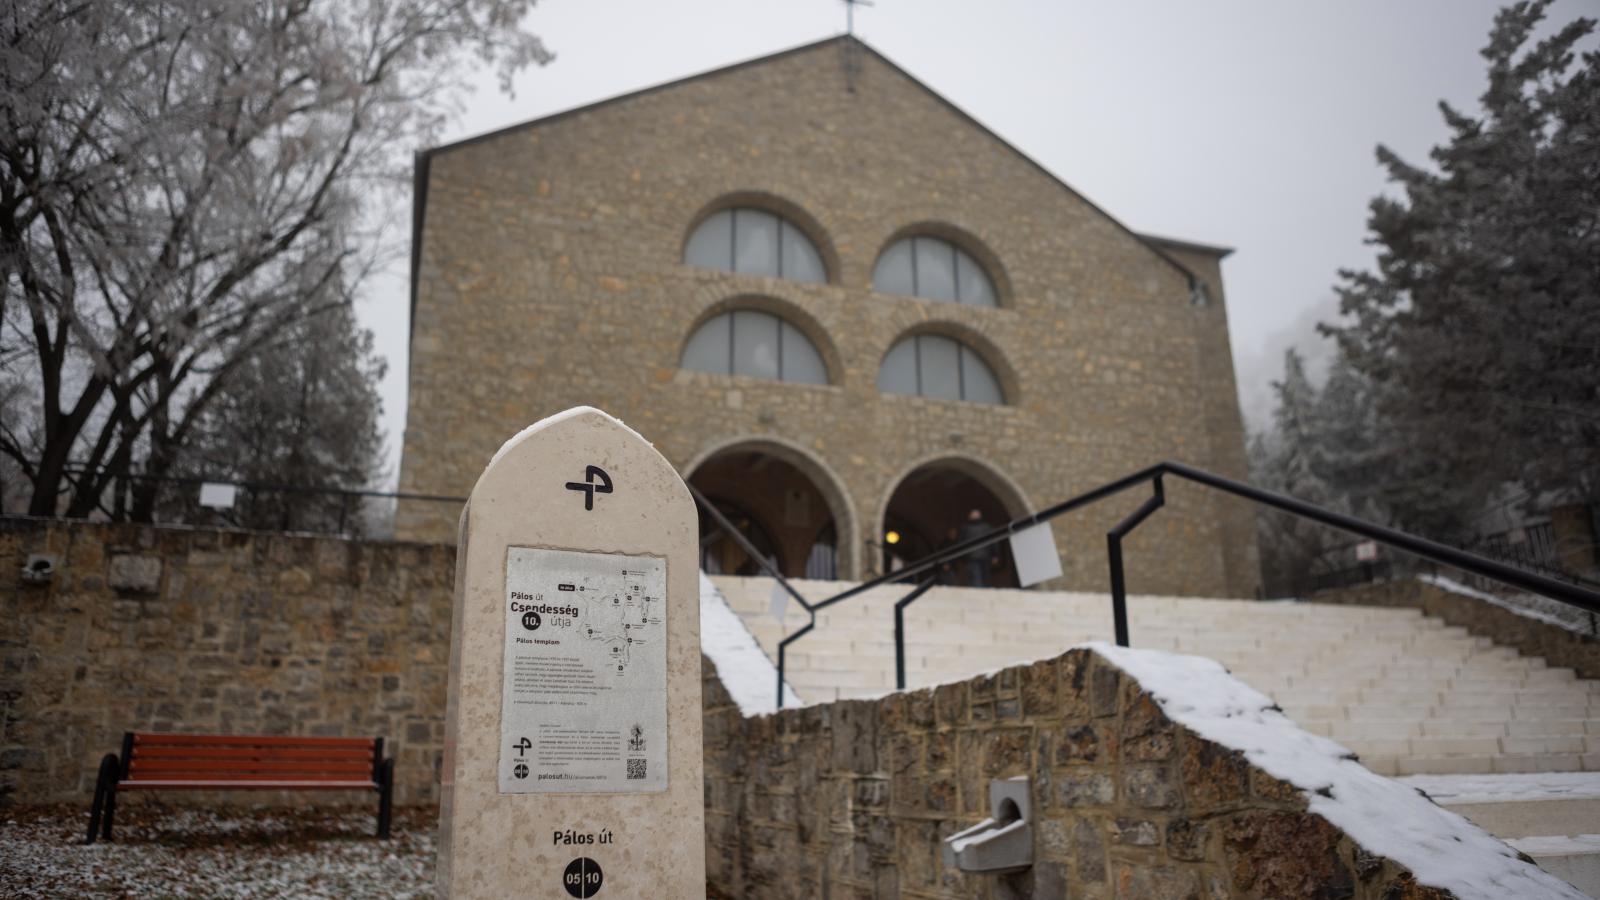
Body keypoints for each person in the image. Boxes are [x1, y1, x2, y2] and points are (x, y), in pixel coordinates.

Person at [956, 508, 993, 587]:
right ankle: (985, 593)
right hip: (984, 556)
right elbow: (993, 541)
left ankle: (978, 593)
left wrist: (961, 557)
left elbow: (960, 543)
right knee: (984, 576)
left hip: (971, 556)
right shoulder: (987, 527)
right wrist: (995, 554)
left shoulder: (965, 528)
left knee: (975, 577)